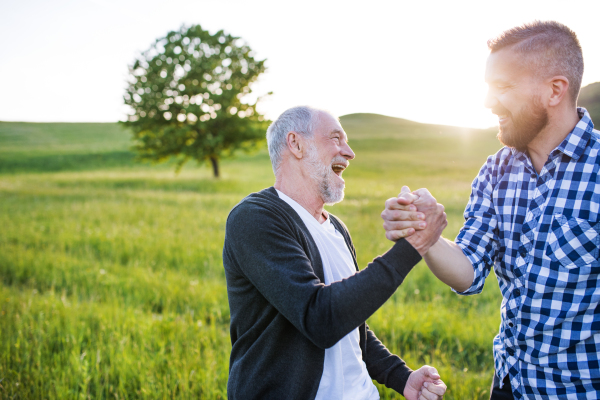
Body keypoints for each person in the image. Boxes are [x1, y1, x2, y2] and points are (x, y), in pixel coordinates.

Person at [381, 21, 600, 399]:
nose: (487, 102)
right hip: (509, 386)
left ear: (555, 90)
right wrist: (425, 231)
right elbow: (467, 273)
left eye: (503, 87)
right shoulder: (497, 170)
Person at [223, 106, 448, 400]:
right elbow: (320, 318)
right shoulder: (255, 218)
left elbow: (350, 324)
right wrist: (413, 247)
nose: (350, 152)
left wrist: (401, 376)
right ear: (296, 144)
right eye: (336, 138)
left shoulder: (337, 228)